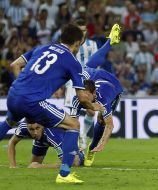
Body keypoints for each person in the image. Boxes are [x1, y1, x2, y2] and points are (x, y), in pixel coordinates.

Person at [0, 23, 105, 183]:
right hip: (32, 100)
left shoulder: (43, 48)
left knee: (9, 122)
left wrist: (23, 86)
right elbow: (82, 98)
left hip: (14, 94)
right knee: (74, 125)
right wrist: (94, 106)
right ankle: (64, 175)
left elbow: (15, 65)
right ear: (77, 43)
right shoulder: (72, 61)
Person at [64, 19, 121, 150]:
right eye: (80, 30)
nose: (83, 32)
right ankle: (74, 141)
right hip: (72, 80)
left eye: (84, 30)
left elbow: (96, 61)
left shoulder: (91, 44)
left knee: (90, 110)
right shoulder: (69, 45)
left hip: (87, 77)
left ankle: (82, 135)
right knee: (74, 112)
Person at [70, 68, 123, 167]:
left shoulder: (103, 101)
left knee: (101, 120)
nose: (83, 99)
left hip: (114, 85)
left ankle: (92, 148)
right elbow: (72, 123)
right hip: (96, 75)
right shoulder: (78, 98)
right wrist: (75, 146)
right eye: (82, 95)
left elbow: (110, 125)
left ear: (94, 93)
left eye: (86, 96)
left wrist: (102, 144)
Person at [8, 122, 84, 169]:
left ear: (42, 126)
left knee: (74, 161)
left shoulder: (53, 135)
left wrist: (41, 166)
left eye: (37, 128)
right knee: (32, 164)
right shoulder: (23, 127)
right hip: (41, 141)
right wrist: (13, 166)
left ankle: (80, 153)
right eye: (31, 129)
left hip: (64, 138)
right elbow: (11, 142)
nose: (35, 133)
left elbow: (73, 163)